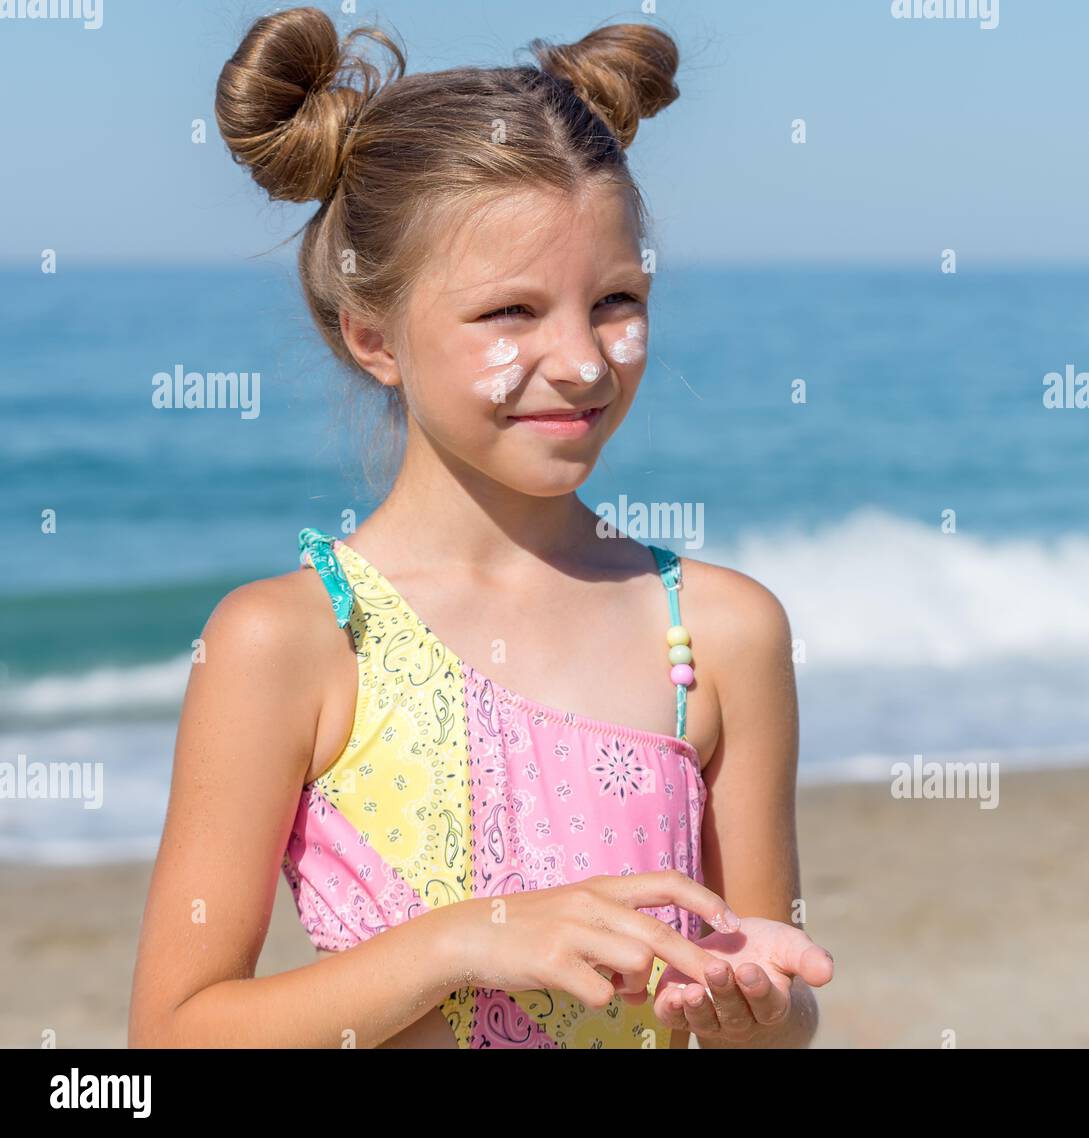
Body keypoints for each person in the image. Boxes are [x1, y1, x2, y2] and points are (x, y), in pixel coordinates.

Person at [128, 5, 832, 1049]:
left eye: (615, 299)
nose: (585, 360)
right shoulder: (291, 643)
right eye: (511, 313)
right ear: (373, 335)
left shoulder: (722, 632)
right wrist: (462, 940)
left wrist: (760, 1010)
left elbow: (765, 993)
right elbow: (174, 1035)